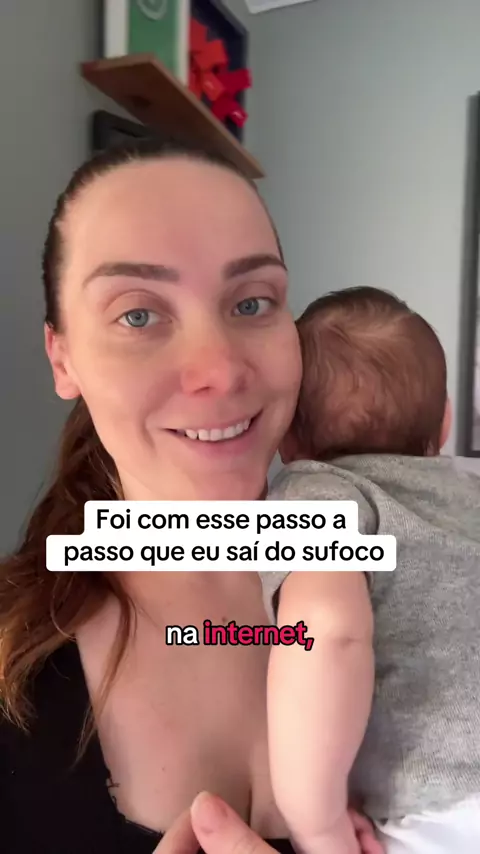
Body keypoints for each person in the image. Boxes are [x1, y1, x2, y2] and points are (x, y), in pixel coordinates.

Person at [0, 142, 382, 854]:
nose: (219, 370)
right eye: (138, 316)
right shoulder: (10, 650)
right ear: (63, 357)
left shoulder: (426, 589)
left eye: (251, 302)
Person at [260, 286, 480, 854]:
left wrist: (316, 822)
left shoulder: (318, 491)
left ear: (288, 438)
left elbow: (326, 631)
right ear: (445, 422)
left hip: (442, 807)